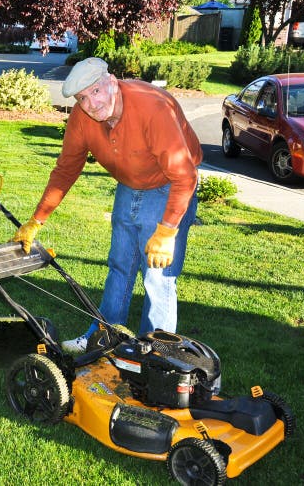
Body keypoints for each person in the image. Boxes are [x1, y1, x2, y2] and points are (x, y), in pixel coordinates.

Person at [12, 57, 202, 354]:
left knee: (157, 275)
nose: (91, 103)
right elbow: (66, 169)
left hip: (169, 185)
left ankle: (156, 354)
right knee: (119, 265)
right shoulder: (83, 117)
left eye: (96, 91)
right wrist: (37, 220)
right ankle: (101, 337)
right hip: (130, 185)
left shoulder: (152, 108)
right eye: (82, 98)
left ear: (112, 82)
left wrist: (167, 231)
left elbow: (185, 175)